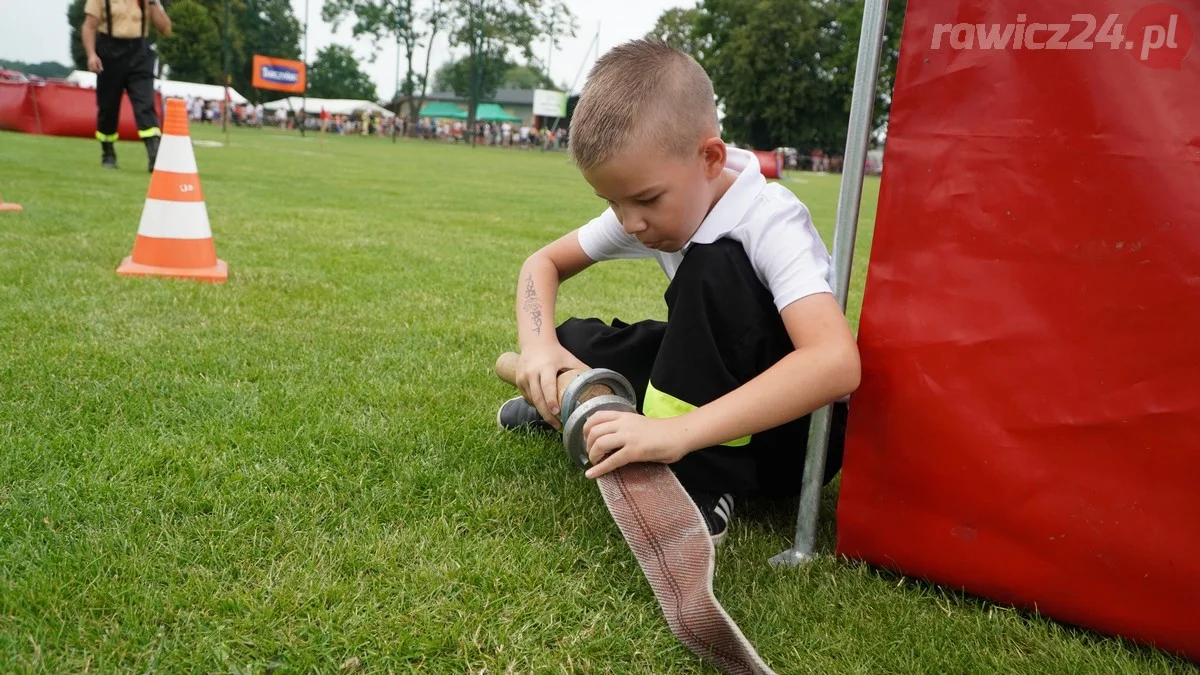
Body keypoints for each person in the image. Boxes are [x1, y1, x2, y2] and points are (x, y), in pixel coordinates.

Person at [496, 39, 860, 544]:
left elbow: (836, 362)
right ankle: (572, 406)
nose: (630, 222)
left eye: (645, 200)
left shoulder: (771, 221)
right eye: (613, 202)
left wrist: (675, 434)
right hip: (712, 389)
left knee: (714, 264)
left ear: (710, 157)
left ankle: (704, 477)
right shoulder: (652, 200)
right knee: (572, 342)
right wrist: (537, 347)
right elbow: (543, 264)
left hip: (792, 438)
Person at [81, 0, 172, 171]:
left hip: (139, 53)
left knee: (145, 104)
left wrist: (153, 3)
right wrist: (92, 55)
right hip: (110, 52)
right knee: (108, 107)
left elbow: (165, 29)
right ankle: (108, 152)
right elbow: (89, 27)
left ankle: (155, 155)